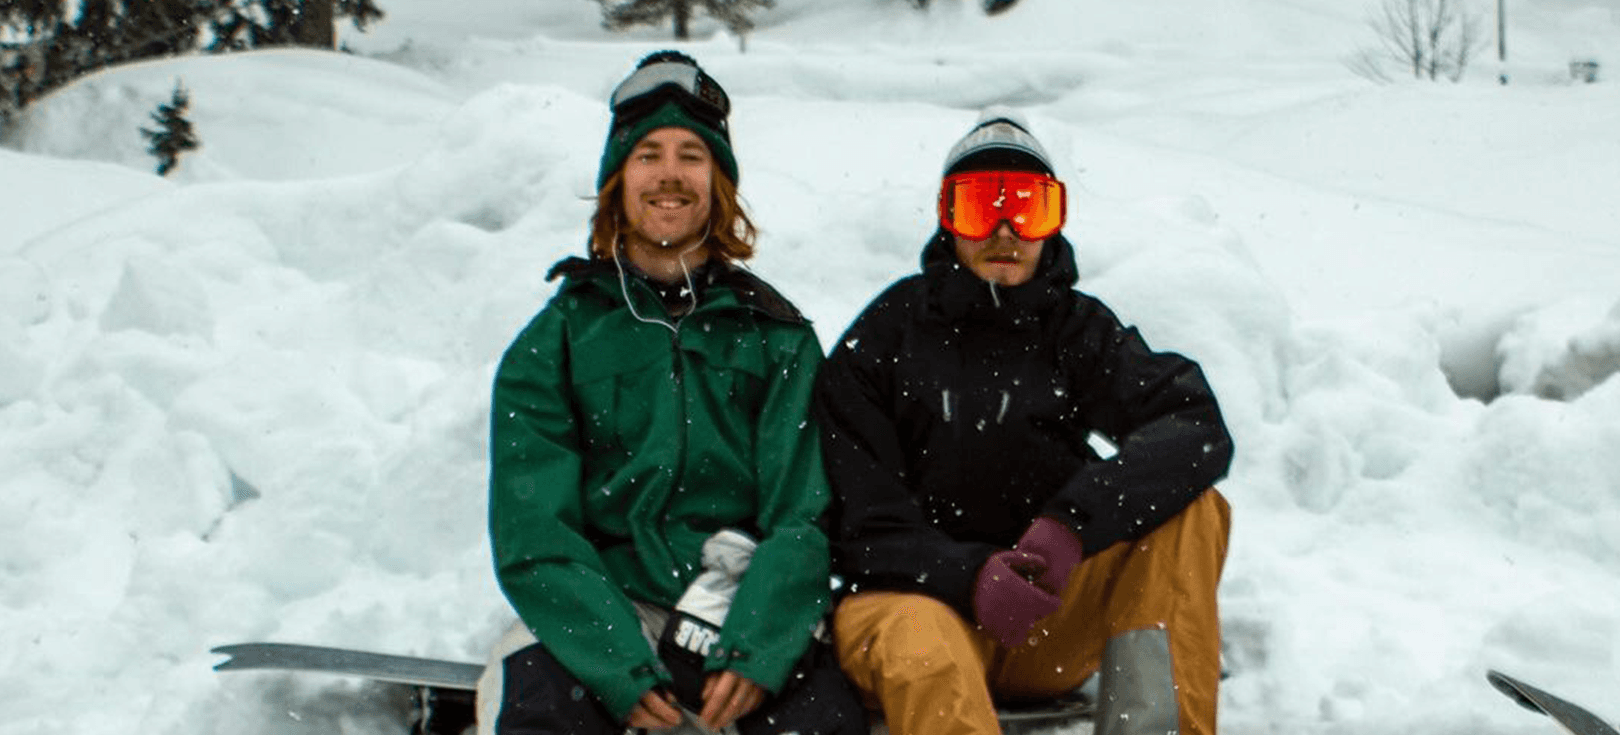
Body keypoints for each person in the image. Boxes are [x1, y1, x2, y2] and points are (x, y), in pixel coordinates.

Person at [814, 109, 1235, 735]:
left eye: (1028, 208)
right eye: (979, 207)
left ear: (1054, 221)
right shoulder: (887, 334)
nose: (1005, 231)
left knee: (1191, 508)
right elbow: (860, 520)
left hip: (1043, 622)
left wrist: (1070, 527)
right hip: (913, 609)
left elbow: (1192, 424)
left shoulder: (1075, 329)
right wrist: (967, 576)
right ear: (946, 217)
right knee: (922, 642)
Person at [482, 51, 865, 735]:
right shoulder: (557, 340)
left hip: (738, 607)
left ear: (718, 183)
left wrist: (756, 648)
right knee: (537, 711)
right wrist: (614, 661)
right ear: (617, 181)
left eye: (692, 156)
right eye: (647, 155)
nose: (669, 175)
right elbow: (535, 531)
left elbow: (802, 517)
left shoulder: (777, 337)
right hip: (606, 607)